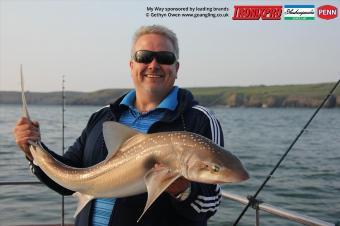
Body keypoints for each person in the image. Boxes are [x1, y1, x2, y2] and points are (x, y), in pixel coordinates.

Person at [13, 25, 225, 226]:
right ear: (132, 65)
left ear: (176, 68)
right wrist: (33, 151)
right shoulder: (103, 117)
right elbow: (67, 180)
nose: (153, 65)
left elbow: (210, 204)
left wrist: (183, 191)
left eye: (164, 58)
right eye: (144, 57)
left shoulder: (199, 121)